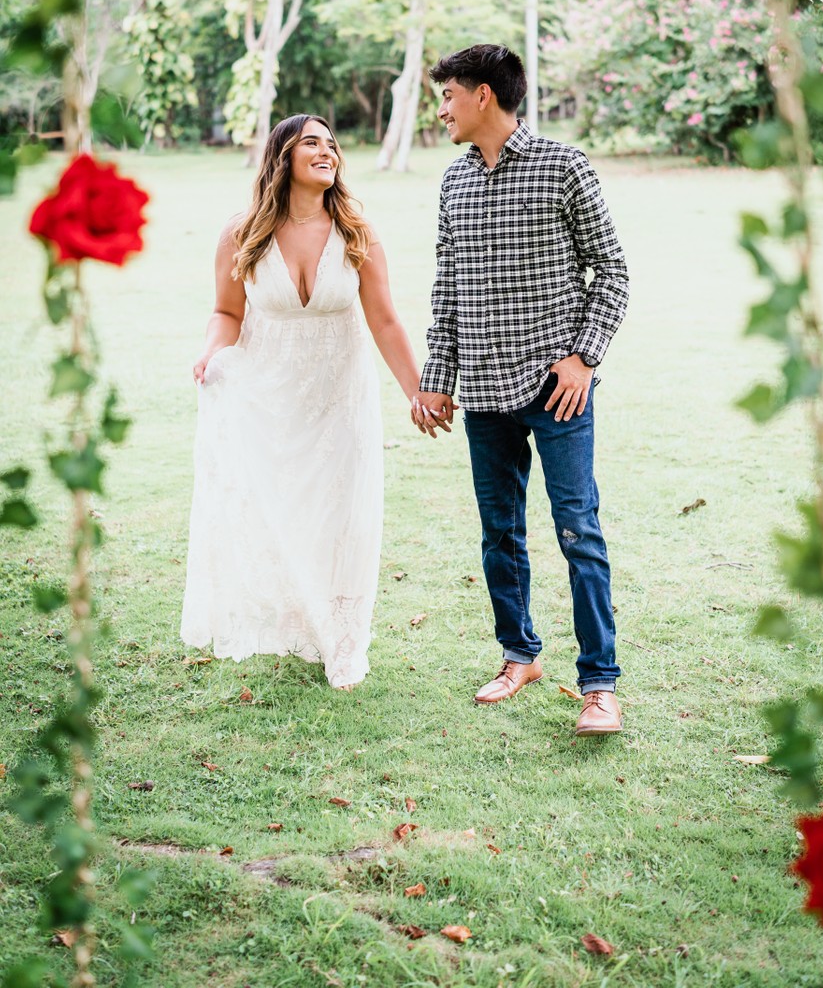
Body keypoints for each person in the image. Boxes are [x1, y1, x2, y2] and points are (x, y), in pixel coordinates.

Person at [410, 45, 629, 735]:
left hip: (557, 389)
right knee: (498, 533)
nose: (441, 109)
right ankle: (518, 655)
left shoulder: (563, 166)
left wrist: (583, 359)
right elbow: (447, 290)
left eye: (447, 96)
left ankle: (598, 684)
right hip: (482, 391)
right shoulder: (453, 182)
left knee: (577, 531)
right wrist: (436, 383)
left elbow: (613, 272)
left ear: (481, 95)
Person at [181, 114, 423, 690]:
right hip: (269, 395)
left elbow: (385, 320)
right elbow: (227, 312)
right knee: (279, 511)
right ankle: (292, 618)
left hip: (342, 397)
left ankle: (342, 643)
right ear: (281, 156)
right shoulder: (241, 234)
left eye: (332, 144)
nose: (327, 151)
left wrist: (418, 391)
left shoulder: (357, 232)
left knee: (345, 516)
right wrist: (211, 353)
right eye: (311, 142)